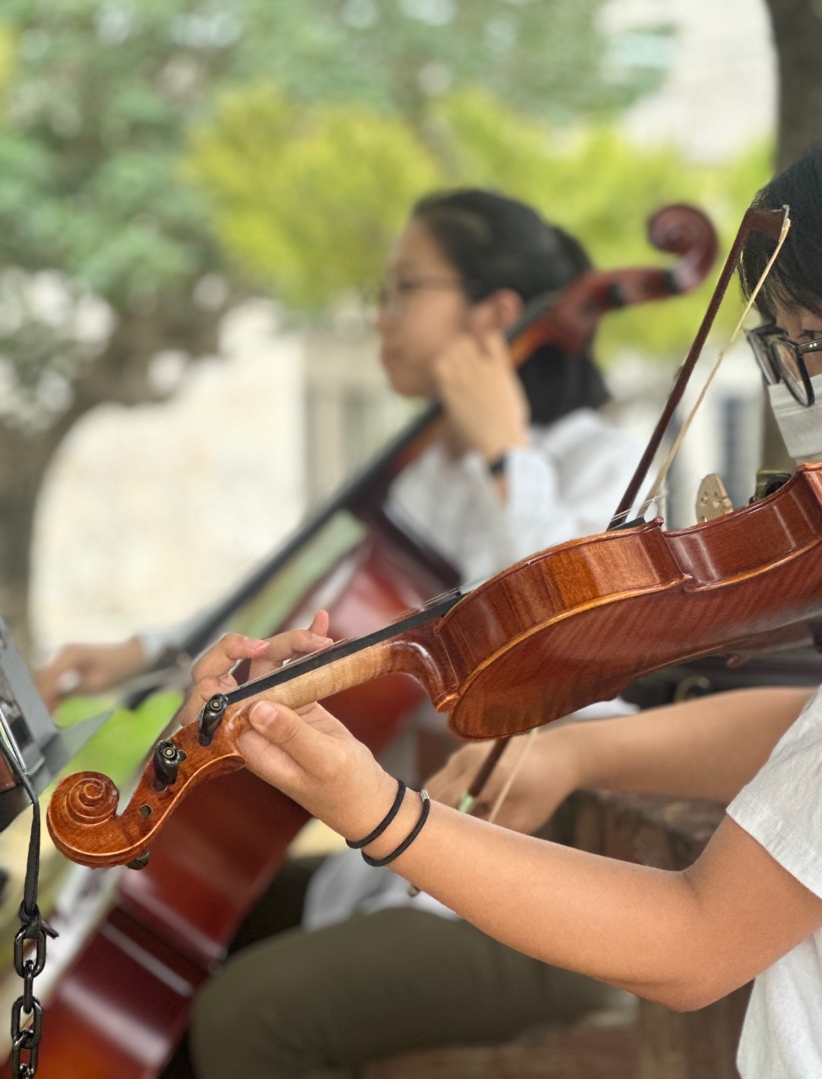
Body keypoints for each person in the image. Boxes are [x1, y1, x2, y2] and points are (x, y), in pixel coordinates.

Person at [197, 96, 822, 1079]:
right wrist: (582, 749)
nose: (795, 394)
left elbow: (697, 940)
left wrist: (373, 807)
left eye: (815, 346)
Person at [38, 190, 642, 1078]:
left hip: (531, 883)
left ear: (495, 315)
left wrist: (506, 455)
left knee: (248, 1013)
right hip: (400, 853)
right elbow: (320, 619)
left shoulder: (603, 463)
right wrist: (146, 652)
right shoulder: (425, 475)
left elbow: (555, 647)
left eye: (404, 289)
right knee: (175, 953)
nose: (379, 316)